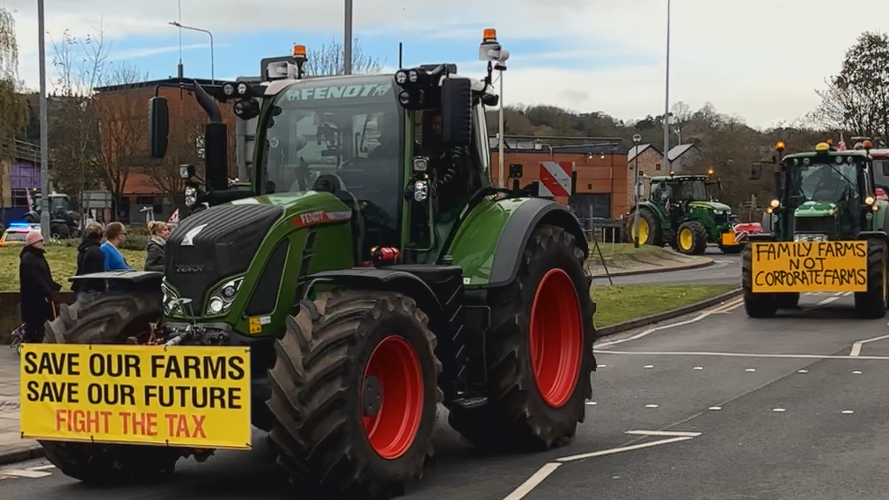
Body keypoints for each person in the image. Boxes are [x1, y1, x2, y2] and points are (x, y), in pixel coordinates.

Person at [18, 231, 61, 343]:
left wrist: (53, 286)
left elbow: (43, 276)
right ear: (33, 242)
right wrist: (48, 291)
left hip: (39, 298)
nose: (42, 242)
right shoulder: (29, 259)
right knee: (35, 325)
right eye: (40, 240)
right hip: (34, 299)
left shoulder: (37, 256)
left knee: (39, 324)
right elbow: (36, 279)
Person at [72, 221, 106, 302]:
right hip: (92, 293)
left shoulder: (83, 249)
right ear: (101, 235)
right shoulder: (96, 251)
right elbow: (97, 274)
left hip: (83, 288)